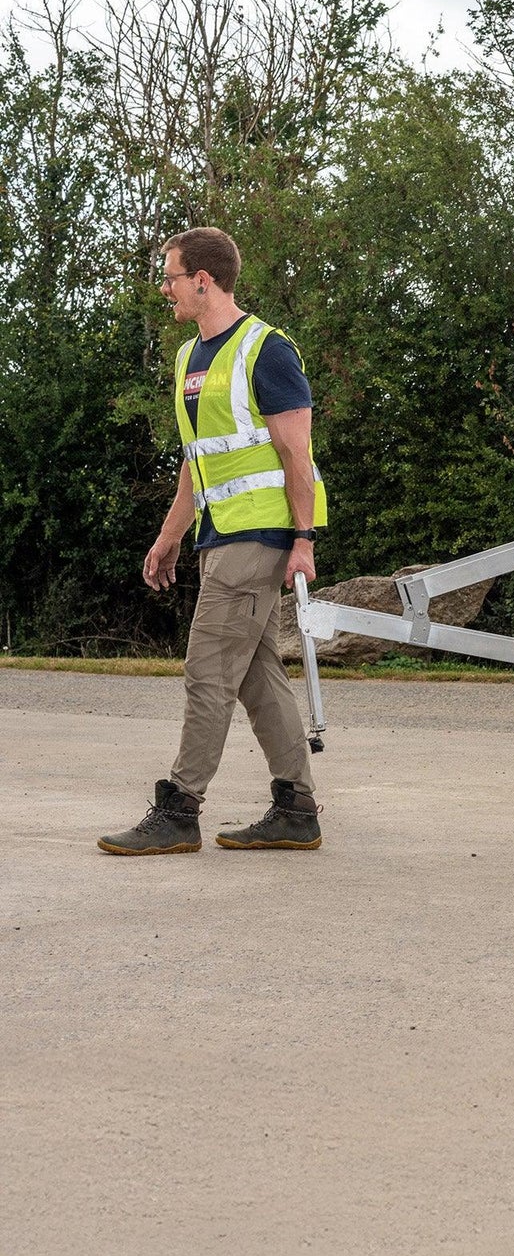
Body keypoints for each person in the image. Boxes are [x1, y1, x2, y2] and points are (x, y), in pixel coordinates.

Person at [98, 227, 329, 855]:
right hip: (219, 534)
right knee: (255, 674)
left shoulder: (266, 350)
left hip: (260, 535)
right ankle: (297, 809)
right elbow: (197, 461)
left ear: (203, 280)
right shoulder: (189, 359)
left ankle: (179, 809)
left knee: (207, 669)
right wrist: (169, 536)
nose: (165, 289)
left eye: (170, 277)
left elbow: (295, 453)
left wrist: (303, 539)